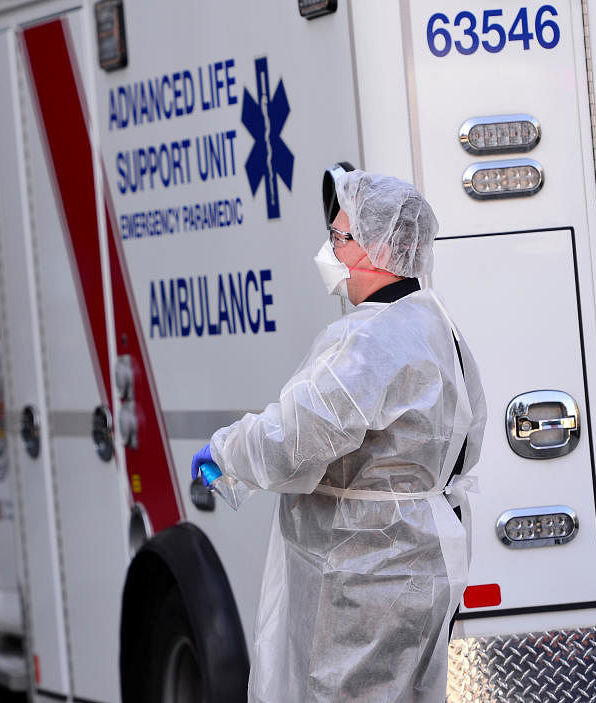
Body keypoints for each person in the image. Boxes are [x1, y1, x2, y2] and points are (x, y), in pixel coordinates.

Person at [190, 164, 486, 702]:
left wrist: (224, 451)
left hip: (366, 575)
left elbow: (293, 438)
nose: (329, 252)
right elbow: (467, 444)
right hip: (421, 564)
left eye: (338, 237)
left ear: (374, 249)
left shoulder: (371, 341)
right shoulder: (438, 327)